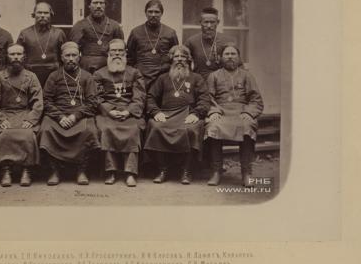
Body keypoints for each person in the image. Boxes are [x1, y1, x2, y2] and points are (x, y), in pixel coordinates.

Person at [144, 45, 211, 184]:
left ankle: (186, 171)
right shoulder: (163, 78)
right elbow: (150, 97)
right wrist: (156, 112)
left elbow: (204, 99)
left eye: (183, 56)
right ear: (171, 59)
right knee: (155, 127)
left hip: (188, 114)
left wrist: (196, 114)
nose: (180, 59)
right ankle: (162, 169)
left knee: (191, 129)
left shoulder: (196, 78)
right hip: (166, 114)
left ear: (188, 59)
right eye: (176, 56)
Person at [39, 42, 100, 185]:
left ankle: (81, 170)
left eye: (74, 55)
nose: (71, 59)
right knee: (46, 129)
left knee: (89, 130)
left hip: (80, 114)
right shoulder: (54, 76)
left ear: (79, 56)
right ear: (61, 57)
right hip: (57, 114)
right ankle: (54, 171)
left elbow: (92, 102)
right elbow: (46, 100)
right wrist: (60, 117)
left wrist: (75, 116)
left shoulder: (87, 77)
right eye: (67, 56)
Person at [0, 44, 44, 187]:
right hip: (4, 114)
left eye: (19, 54)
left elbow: (38, 102)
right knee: (4, 133)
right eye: (12, 54)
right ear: (7, 56)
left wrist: (31, 119)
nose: (16, 57)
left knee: (28, 134)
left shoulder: (31, 77)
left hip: (25, 113)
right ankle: (6, 170)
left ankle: (26, 170)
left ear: (24, 56)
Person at [205, 44, 264, 187]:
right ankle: (216, 171)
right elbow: (207, 98)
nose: (230, 57)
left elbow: (256, 99)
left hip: (241, 112)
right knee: (213, 126)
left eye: (233, 54)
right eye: (227, 54)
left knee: (247, 126)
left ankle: (246, 172)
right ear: (221, 57)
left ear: (238, 57)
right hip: (221, 112)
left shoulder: (247, 75)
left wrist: (248, 112)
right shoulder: (214, 76)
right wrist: (213, 111)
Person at [93, 39, 146, 187]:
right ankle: (111, 171)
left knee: (133, 129)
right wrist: (110, 110)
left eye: (120, 51)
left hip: (129, 111)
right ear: (108, 53)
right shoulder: (99, 74)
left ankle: (130, 172)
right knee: (106, 128)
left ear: (125, 53)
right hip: (107, 112)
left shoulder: (134, 73)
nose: (117, 54)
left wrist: (129, 111)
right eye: (114, 51)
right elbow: (96, 97)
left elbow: (140, 96)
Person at [69, 0, 125, 74]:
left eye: (101, 3)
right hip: (86, 67)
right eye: (95, 3)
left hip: (109, 66)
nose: (98, 6)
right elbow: (72, 49)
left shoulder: (114, 26)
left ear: (105, 5)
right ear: (89, 5)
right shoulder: (80, 26)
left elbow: (121, 48)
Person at [126, 0, 179, 88]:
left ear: (162, 13)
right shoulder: (135, 32)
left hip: (162, 77)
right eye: (150, 12)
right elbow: (130, 58)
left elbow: (175, 57)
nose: (153, 15)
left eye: (157, 12)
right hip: (141, 77)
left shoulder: (170, 33)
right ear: (145, 13)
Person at [16, 2, 67, 87]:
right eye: (39, 12)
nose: (42, 15)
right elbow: (18, 56)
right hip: (30, 76)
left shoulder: (59, 33)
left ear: (51, 14)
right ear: (34, 15)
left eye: (46, 13)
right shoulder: (25, 34)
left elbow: (65, 56)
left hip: (54, 76)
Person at [184, 6, 234, 80]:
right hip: (199, 83)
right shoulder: (191, 41)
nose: (209, 26)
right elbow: (184, 64)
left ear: (217, 22)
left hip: (221, 82)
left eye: (212, 22)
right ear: (200, 22)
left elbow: (238, 65)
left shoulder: (227, 41)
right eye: (206, 22)